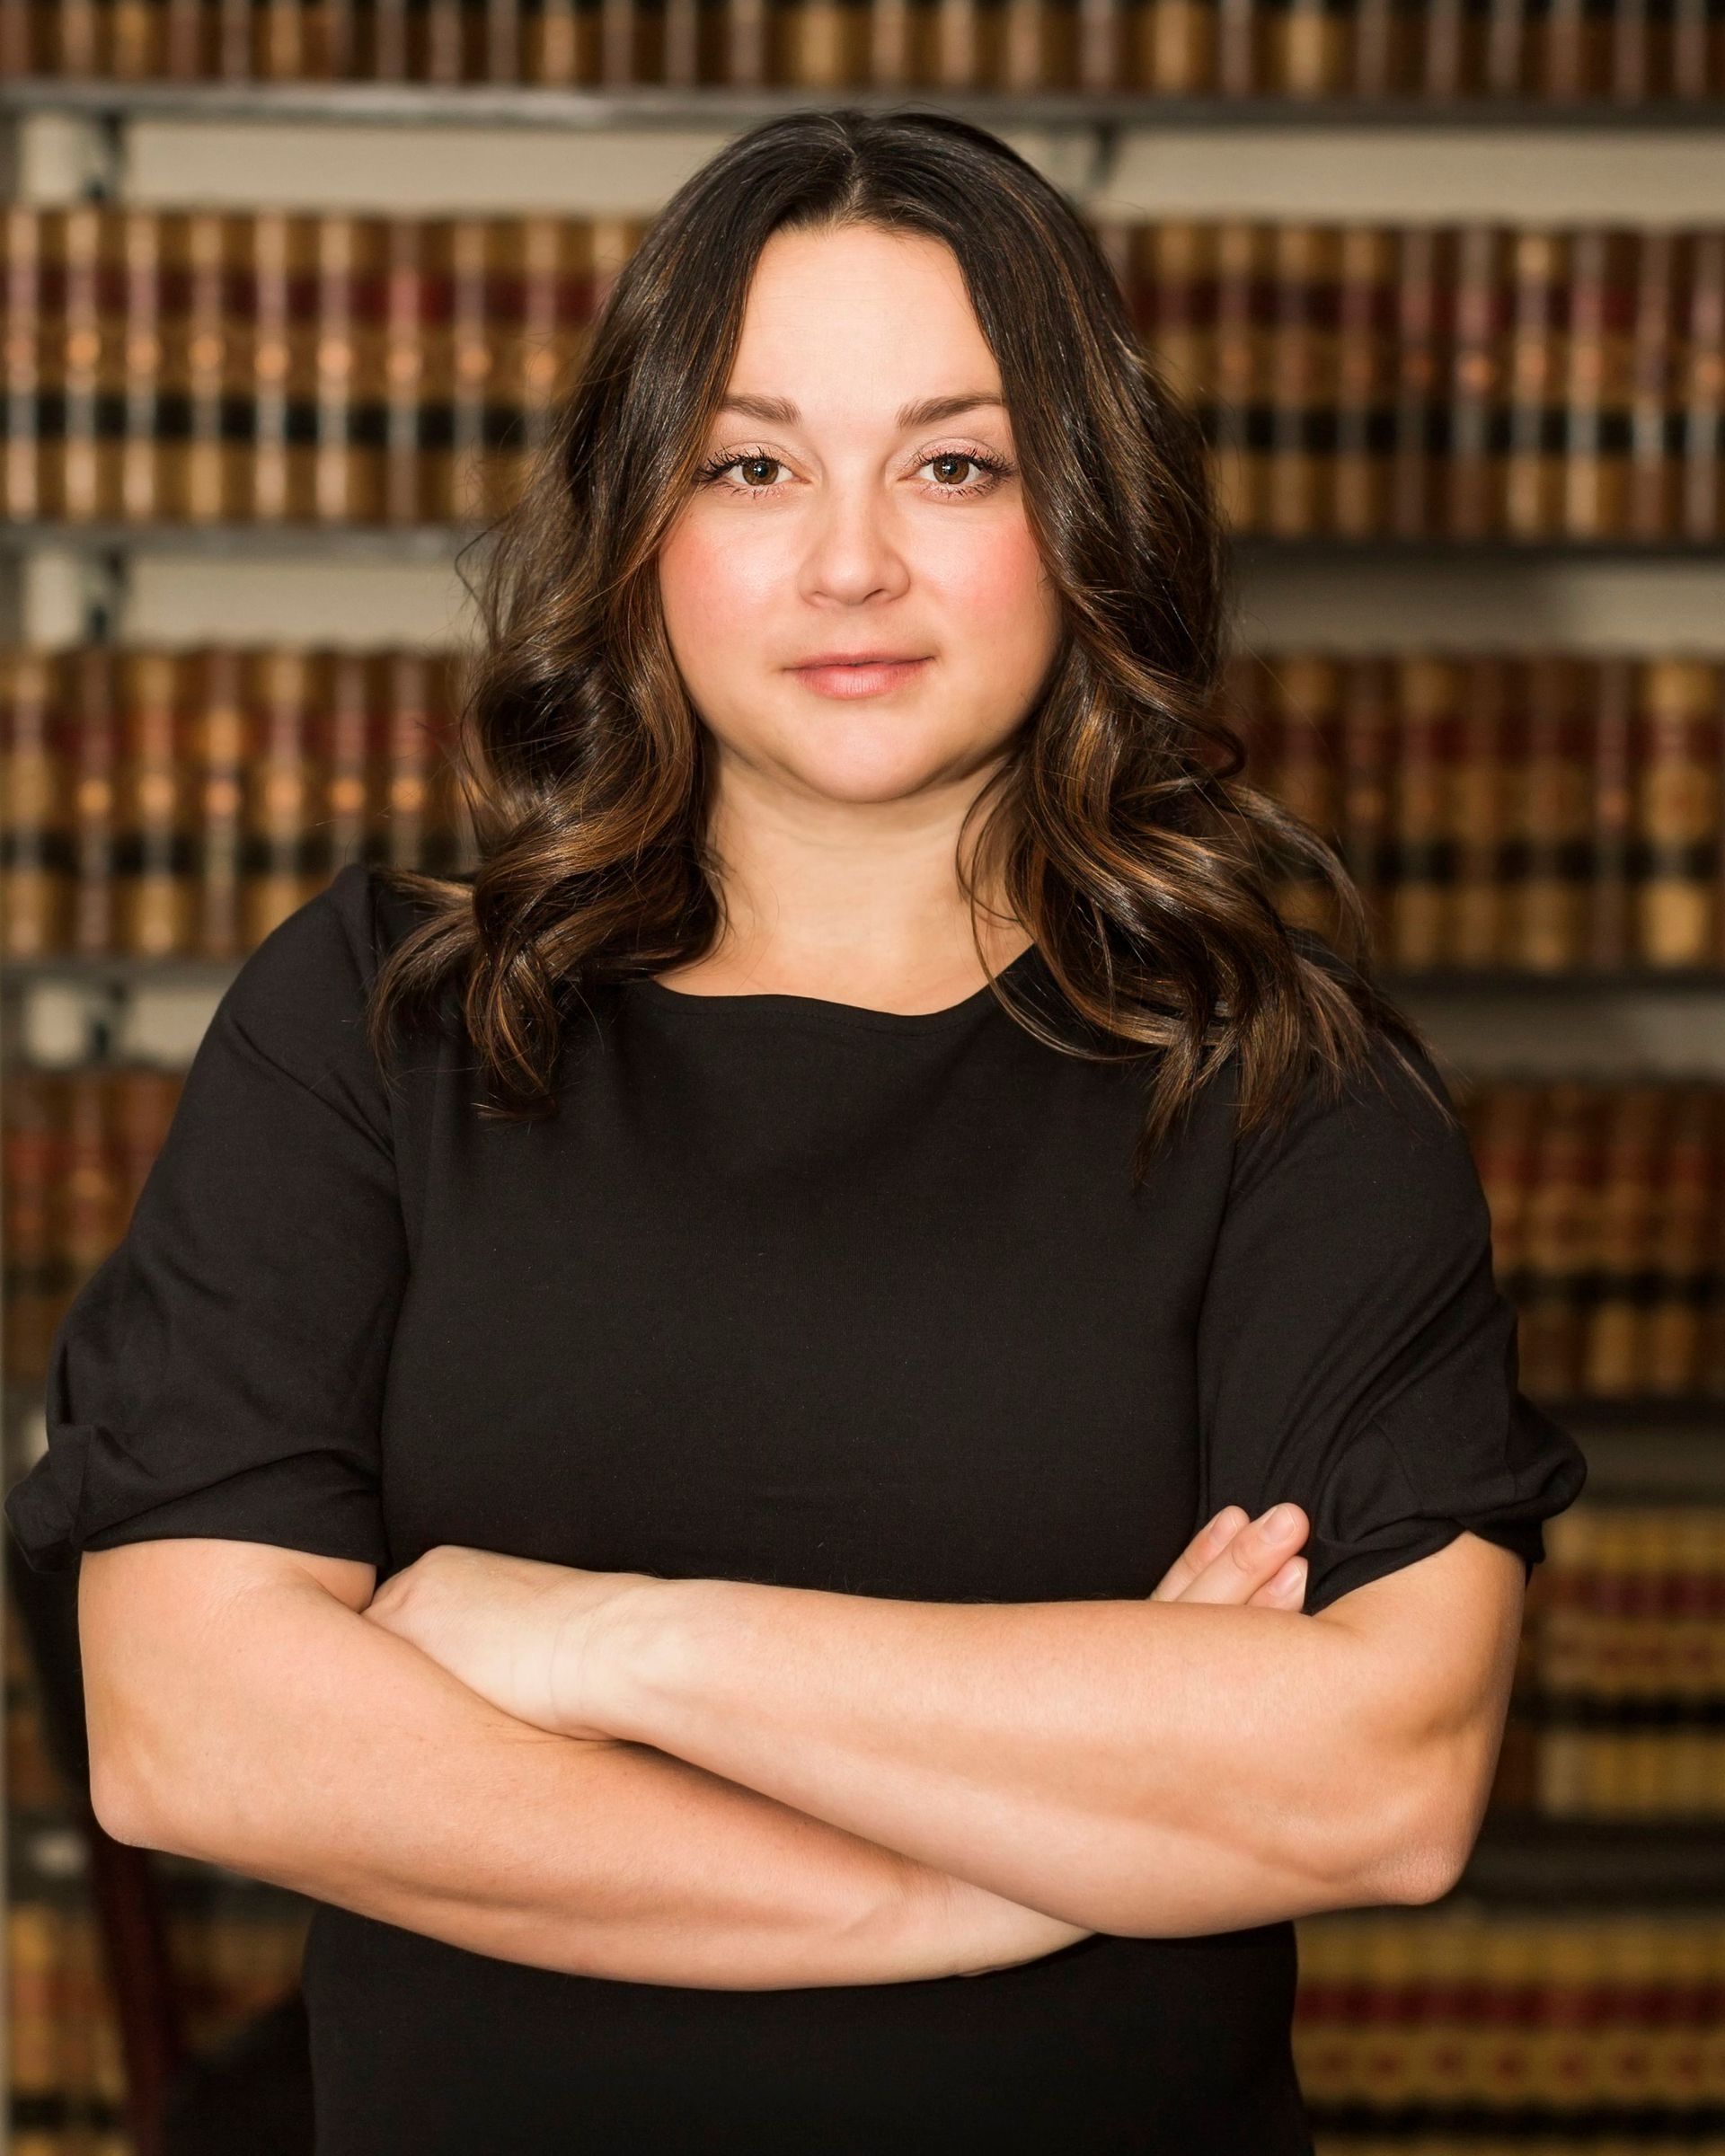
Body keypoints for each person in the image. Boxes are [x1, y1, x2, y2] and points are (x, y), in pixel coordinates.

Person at [5, 107, 1586, 2153]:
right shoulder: (381, 1024)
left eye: (956, 463)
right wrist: (983, 1880)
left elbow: (1378, 1780)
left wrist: (590, 1638)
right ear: (641, 526)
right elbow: (194, 1734)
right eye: (754, 465)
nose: (854, 560)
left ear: (1085, 514)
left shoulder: (1287, 1090)